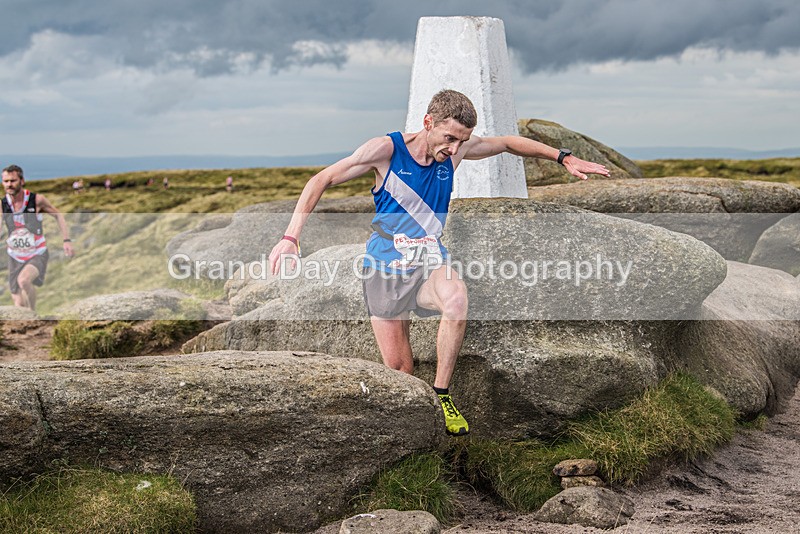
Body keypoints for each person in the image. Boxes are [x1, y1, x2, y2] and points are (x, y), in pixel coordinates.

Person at [268, 90, 610, 436]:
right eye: (449, 138)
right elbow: (321, 179)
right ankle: (404, 437)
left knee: (456, 299)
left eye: (461, 141)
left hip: (430, 260)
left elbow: (507, 143)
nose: (454, 148)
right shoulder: (385, 151)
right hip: (385, 266)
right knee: (401, 369)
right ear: (428, 123)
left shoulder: (454, 153)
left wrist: (563, 157)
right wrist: (290, 237)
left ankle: (441, 394)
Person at [2, 164, 74, 310]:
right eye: (6, 181)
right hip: (14, 256)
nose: (9, 184)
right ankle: (27, 325)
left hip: (36, 253)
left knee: (24, 281)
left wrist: (66, 240)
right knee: (18, 303)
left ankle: (33, 314)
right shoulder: (2, 204)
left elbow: (58, 215)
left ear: (22, 181)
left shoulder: (37, 200)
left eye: (13, 181)